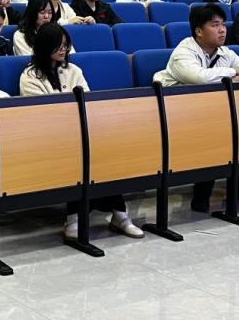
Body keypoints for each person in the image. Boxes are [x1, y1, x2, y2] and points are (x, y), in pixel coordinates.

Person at [18, 23, 144, 241]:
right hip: (48, 136)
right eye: (58, 45)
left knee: (104, 150)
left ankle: (119, 215)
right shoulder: (30, 76)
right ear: (45, 46)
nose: (63, 50)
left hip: (79, 129)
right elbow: (40, 113)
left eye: (65, 45)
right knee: (80, 154)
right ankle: (75, 218)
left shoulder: (73, 70)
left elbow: (87, 101)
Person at [154, 4, 239, 212]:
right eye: (215, 25)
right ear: (198, 31)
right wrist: (233, 73)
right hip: (175, 112)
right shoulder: (183, 52)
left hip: (210, 111)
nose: (222, 30)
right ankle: (202, 194)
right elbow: (198, 78)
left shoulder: (225, 52)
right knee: (217, 132)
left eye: (223, 24)